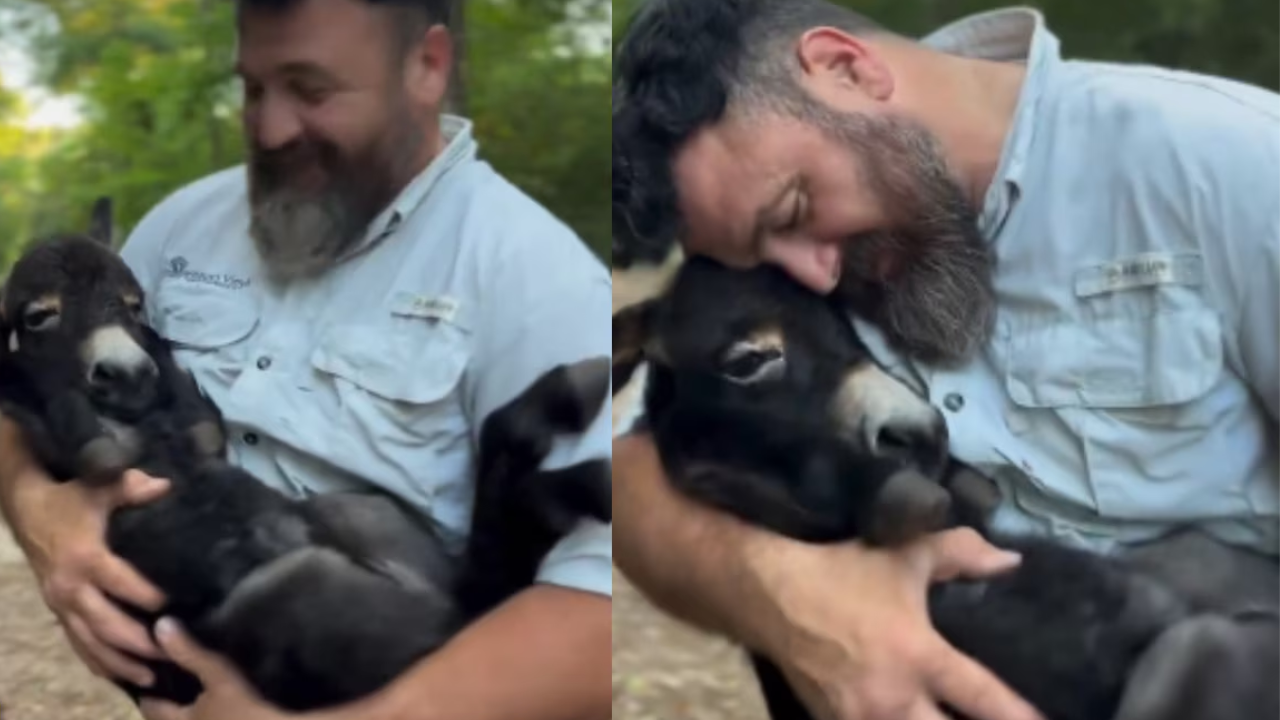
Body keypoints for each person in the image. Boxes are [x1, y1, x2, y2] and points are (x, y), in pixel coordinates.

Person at [611, 1, 1279, 719]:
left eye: (793, 210)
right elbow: (634, 479)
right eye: (757, 258)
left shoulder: (1235, 163)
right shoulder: (813, 255)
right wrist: (785, 595)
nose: (813, 279)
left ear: (848, 69)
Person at [0, 0, 612, 718]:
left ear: (427, 66)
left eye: (311, 90)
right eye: (253, 88)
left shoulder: (543, 282)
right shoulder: (178, 229)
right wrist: (37, 509)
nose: (270, 127)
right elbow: (33, 386)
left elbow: (597, 615)